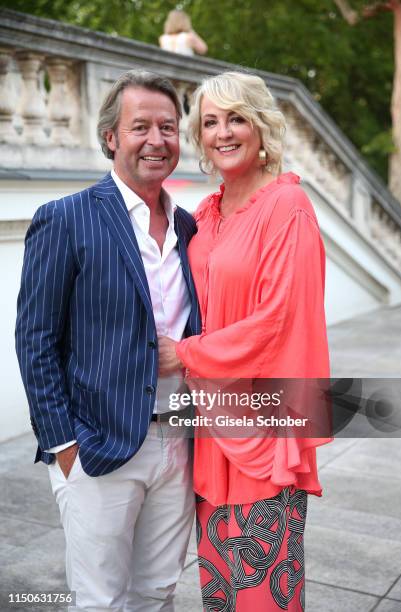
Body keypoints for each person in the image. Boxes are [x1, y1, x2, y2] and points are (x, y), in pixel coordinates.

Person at [15, 69, 201, 612]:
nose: (156, 140)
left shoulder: (190, 227)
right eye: (139, 126)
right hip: (98, 447)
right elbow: (36, 339)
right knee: (101, 600)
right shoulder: (65, 218)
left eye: (167, 127)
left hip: (180, 442)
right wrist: (62, 446)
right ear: (111, 137)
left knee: (159, 592)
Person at [158, 71, 332, 611]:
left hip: (262, 421)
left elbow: (278, 320)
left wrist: (185, 354)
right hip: (212, 422)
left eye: (236, 118)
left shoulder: (287, 208)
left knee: (262, 592)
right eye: (210, 121)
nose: (223, 132)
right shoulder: (207, 214)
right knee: (219, 589)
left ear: (261, 127)